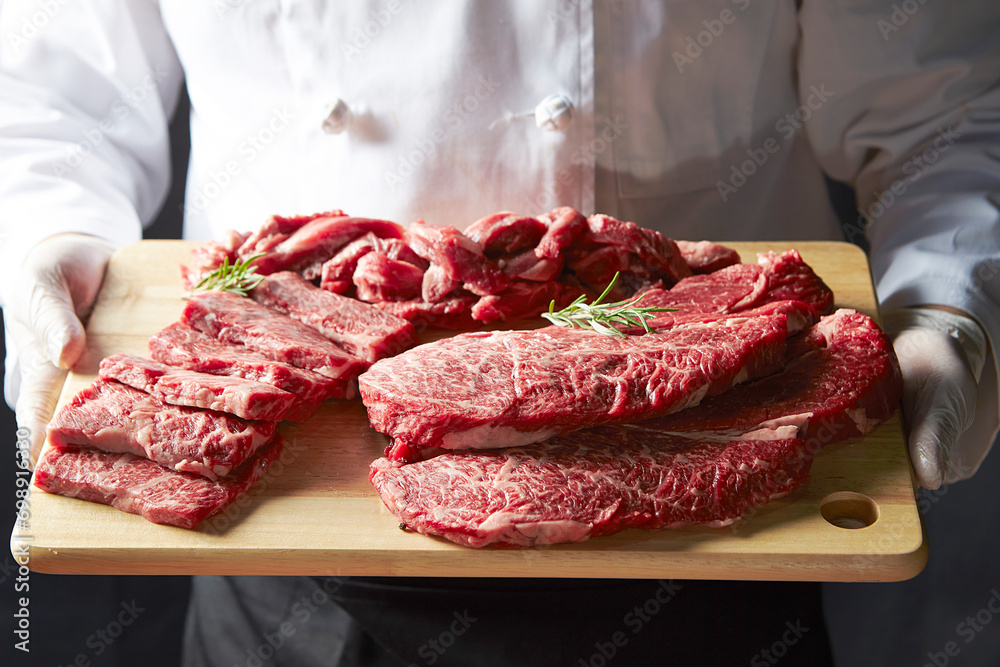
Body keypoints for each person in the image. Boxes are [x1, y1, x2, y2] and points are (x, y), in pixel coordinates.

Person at [2, 1, 997, 665]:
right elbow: (57, 87)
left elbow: (948, 110)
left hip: (715, 517)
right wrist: (47, 229)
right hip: (286, 524)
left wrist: (951, 304)